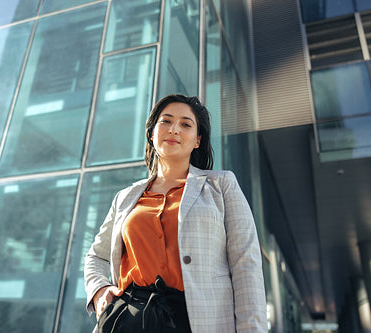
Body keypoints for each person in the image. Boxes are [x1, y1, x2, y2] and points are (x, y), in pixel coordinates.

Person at [84, 94, 267, 332]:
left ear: (197, 140)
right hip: (128, 318)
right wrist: (99, 291)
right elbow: (96, 257)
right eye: (166, 121)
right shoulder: (125, 197)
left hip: (197, 320)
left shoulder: (222, 186)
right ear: (152, 133)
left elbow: (246, 264)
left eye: (186, 124)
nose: (174, 130)